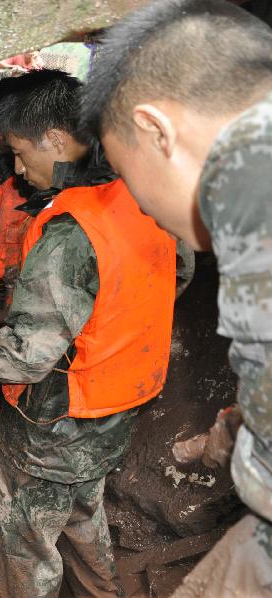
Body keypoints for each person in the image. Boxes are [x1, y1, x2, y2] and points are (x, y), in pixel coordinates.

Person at [0, 70, 179, 597]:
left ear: (57, 140)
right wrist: (96, 311)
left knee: (26, 548)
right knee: (85, 518)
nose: (17, 168)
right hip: (115, 408)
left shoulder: (68, 234)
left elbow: (23, 358)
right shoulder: (145, 192)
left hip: (57, 425)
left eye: (21, 152)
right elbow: (177, 275)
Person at [79, 1, 272, 595]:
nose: (142, 207)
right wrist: (238, 430)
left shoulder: (248, 166)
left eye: (131, 182)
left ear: (157, 130)